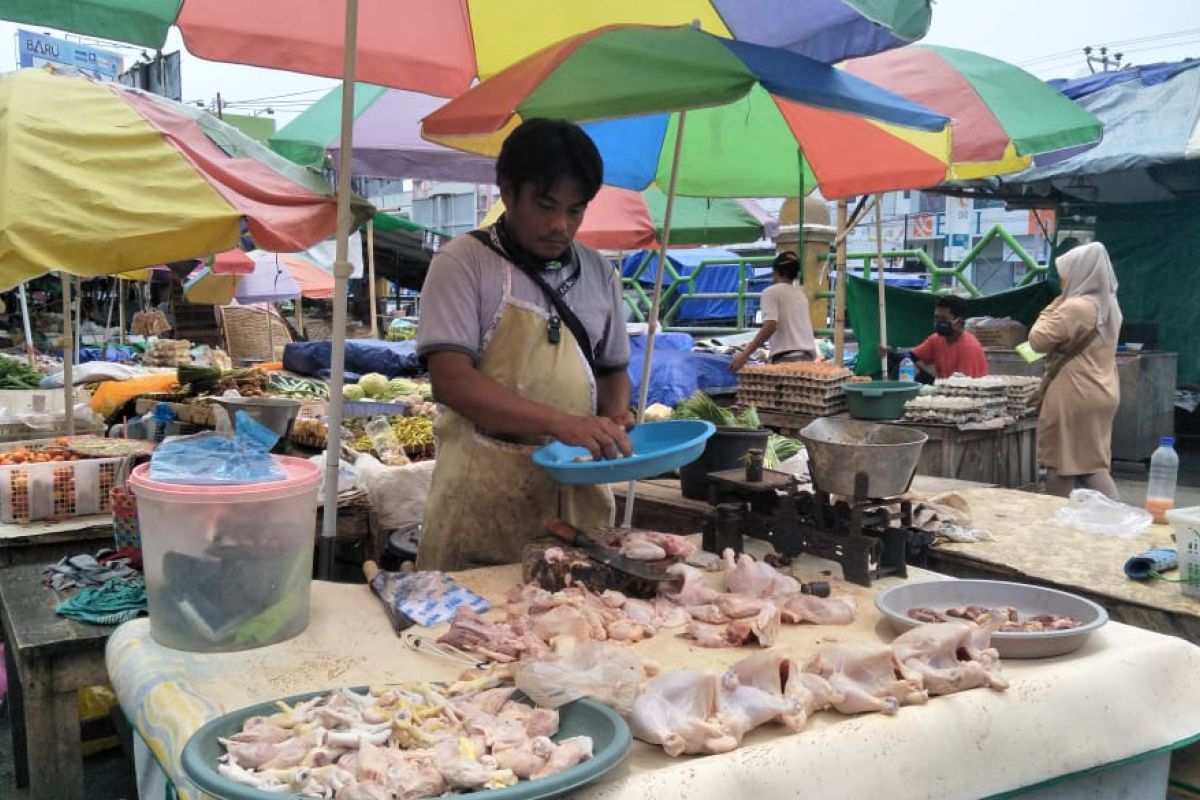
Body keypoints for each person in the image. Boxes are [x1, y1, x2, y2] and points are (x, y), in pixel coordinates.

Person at [415, 118, 632, 571]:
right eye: (546, 205)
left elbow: (613, 369)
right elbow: (451, 381)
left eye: (576, 210)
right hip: (484, 502)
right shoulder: (464, 263)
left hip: (577, 505)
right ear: (509, 192)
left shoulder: (599, 273)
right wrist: (562, 423)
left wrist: (615, 421)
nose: (560, 225)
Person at [1028, 241, 1122, 500]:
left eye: (1066, 275)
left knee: (1061, 462)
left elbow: (1037, 340)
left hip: (1074, 393)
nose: (1063, 281)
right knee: (1091, 463)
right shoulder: (1109, 305)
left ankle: (1055, 521)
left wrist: (1054, 305)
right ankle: (1119, 519)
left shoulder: (1076, 307)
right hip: (1102, 389)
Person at [729, 251, 816, 371]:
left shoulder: (770, 292)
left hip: (787, 359)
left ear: (775, 272)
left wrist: (744, 355)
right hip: (808, 358)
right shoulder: (801, 294)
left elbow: (770, 325)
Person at [879, 295, 988, 380]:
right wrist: (889, 353)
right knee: (903, 367)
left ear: (959, 322)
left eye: (943, 318)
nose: (938, 322)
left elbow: (966, 387)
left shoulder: (968, 348)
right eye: (936, 318)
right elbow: (910, 357)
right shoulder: (936, 339)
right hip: (941, 387)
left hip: (964, 394)